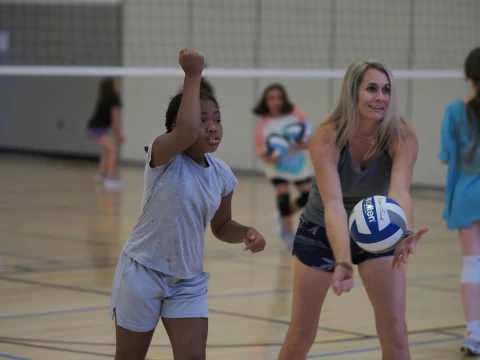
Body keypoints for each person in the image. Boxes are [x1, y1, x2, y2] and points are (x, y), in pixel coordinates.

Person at [108, 47, 266, 360]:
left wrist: (247, 232)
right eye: (203, 119)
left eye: (217, 119)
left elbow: (221, 226)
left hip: (187, 281)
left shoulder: (222, 175)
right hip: (141, 273)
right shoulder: (163, 156)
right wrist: (193, 74)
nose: (212, 126)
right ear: (177, 126)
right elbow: (186, 131)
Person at [277, 60, 429, 360]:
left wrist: (404, 234)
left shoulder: (401, 137)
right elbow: (333, 205)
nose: (380, 97)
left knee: (395, 330)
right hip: (321, 231)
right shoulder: (326, 137)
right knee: (301, 335)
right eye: (371, 89)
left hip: (376, 228)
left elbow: (399, 192)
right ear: (353, 94)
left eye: (386, 90)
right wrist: (343, 262)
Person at [438, 47, 480, 355]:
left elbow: (445, 158)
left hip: (467, 195)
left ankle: (474, 334)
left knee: (473, 265)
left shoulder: (455, 110)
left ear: (468, 76)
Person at [252, 83, 314, 247]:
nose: (276, 102)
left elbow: (309, 137)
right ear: (266, 101)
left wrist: (301, 145)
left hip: (297, 165)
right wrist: (269, 158)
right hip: (277, 167)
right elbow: (260, 150)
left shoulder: (296, 115)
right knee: (283, 194)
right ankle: (289, 234)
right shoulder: (263, 125)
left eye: (279, 98)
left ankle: (281, 216)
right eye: (271, 98)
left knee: (309, 195)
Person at [86, 77, 125, 189]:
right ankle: (110, 178)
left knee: (108, 150)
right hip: (97, 129)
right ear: (111, 86)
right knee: (113, 149)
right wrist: (119, 135)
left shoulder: (106, 98)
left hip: (94, 127)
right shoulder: (114, 100)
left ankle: (101, 174)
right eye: (116, 83)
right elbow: (115, 122)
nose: (118, 85)